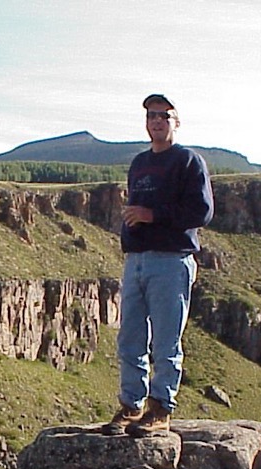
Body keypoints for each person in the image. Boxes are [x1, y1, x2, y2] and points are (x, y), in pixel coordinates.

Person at [101, 93, 214, 437]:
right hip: (137, 260)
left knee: (166, 340)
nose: (156, 121)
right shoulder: (139, 163)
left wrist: (153, 216)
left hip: (171, 260)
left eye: (164, 115)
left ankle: (160, 407)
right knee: (130, 338)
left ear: (175, 122)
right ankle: (131, 405)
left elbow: (201, 212)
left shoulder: (188, 161)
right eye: (151, 115)